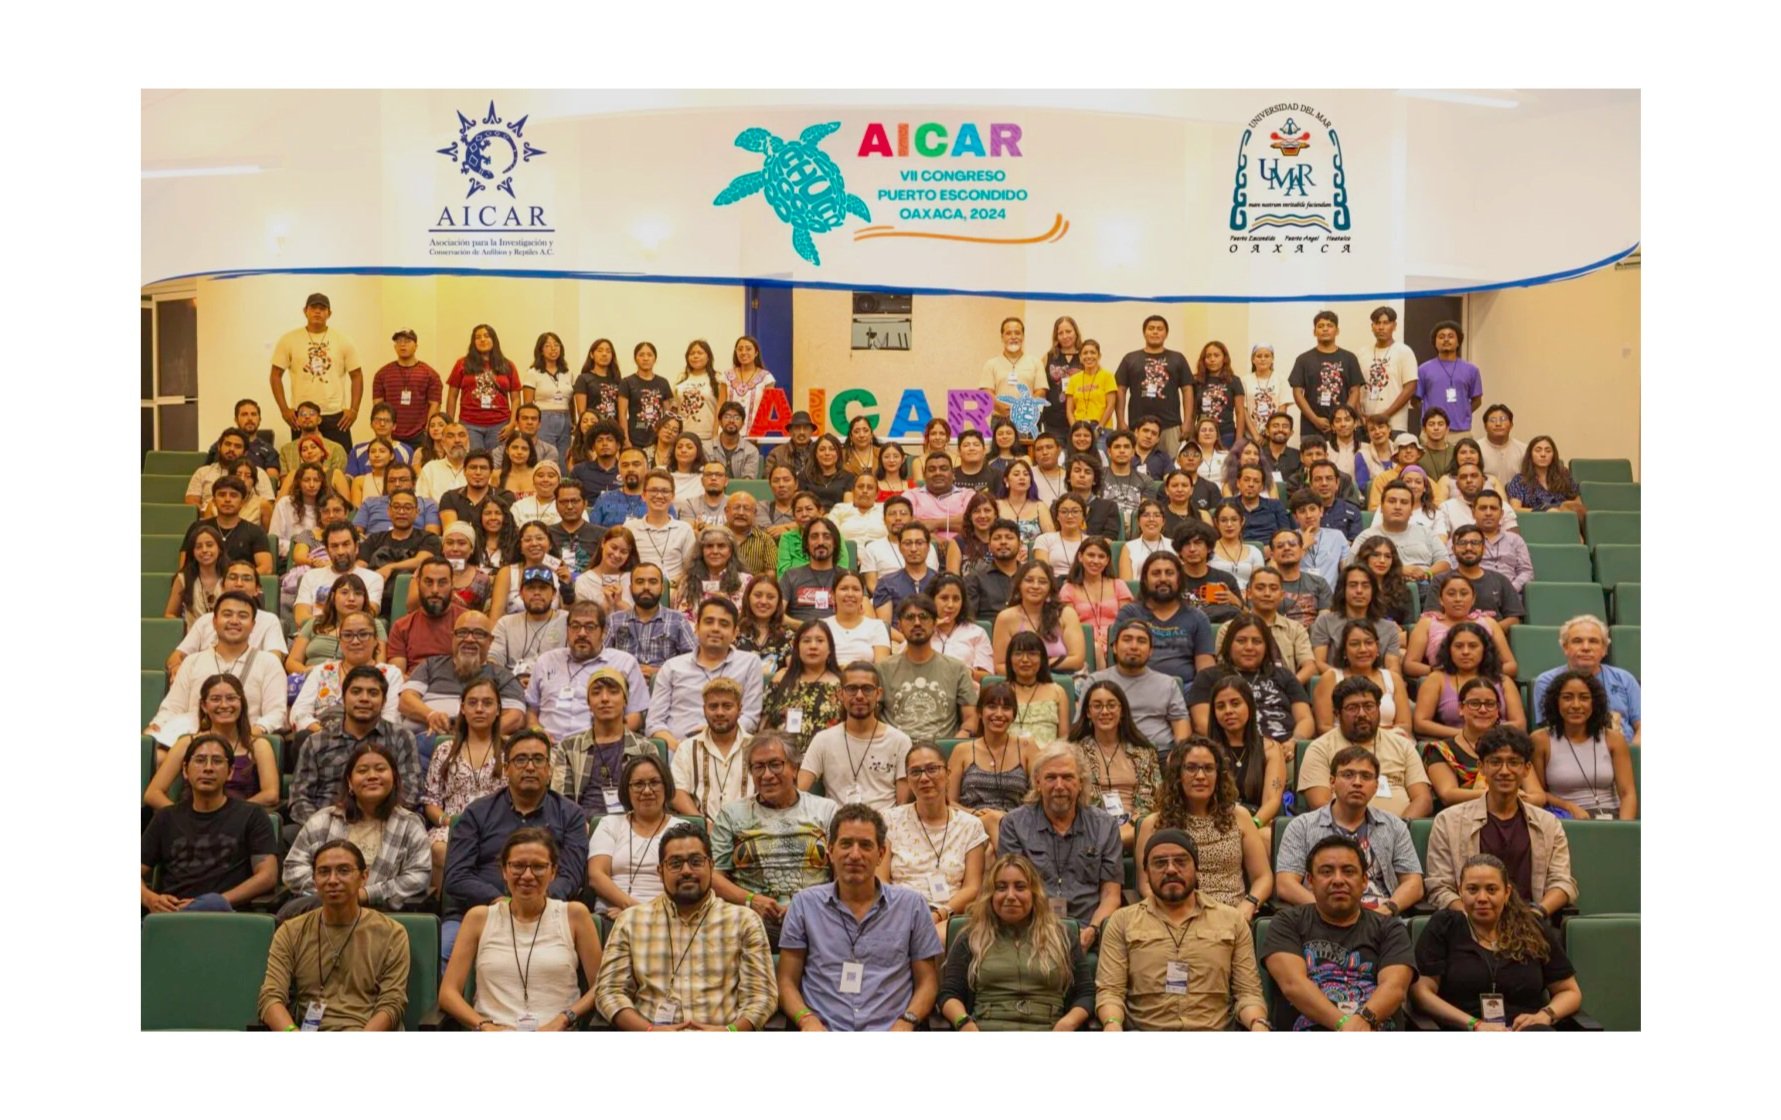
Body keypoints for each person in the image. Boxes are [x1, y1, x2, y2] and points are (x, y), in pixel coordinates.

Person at [775, 803, 944, 1033]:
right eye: (846, 844)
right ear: (830, 851)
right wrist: (806, 1020)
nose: (855, 855)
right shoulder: (804, 904)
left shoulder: (912, 906)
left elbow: (928, 983)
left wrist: (907, 1021)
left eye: (865, 845)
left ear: (881, 854)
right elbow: (786, 982)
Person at [594, 821, 778, 1031]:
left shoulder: (744, 921)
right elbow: (609, 992)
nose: (686, 871)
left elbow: (762, 996)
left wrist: (730, 1032)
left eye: (696, 861)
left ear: (711, 866)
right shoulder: (631, 921)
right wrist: (649, 1031)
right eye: (675, 863)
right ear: (660, 871)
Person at [1096, 828, 1269, 1032]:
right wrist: (1112, 1023)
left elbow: (1247, 993)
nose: (1171, 870)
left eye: (1181, 861)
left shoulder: (1231, 920)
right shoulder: (1122, 921)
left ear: (1196, 869)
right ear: (1146, 873)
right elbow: (1110, 992)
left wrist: (1257, 1023)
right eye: (1160, 863)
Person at [443, 727, 589, 964]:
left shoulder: (571, 815)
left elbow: (571, 876)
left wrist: (534, 904)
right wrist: (500, 902)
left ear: (549, 769)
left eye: (538, 759)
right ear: (506, 768)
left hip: (548, 912)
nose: (530, 767)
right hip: (478, 912)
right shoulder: (477, 813)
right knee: (446, 950)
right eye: (521, 759)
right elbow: (456, 876)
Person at [437, 827, 604, 1031]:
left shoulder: (574, 915)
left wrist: (564, 1018)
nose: (527, 875)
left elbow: (601, 986)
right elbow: (448, 993)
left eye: (538, 867)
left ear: (553, 872)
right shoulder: (479, 918)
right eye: (517, 866)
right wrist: (484, 1025)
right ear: (504, 871)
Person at [1412, 854, 1583, 1031]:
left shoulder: (1532, 927)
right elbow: (1421, 993)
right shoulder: (1444, 926)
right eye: (1472, 889)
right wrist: (1475, 1024)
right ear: (1460, 891)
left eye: (1492, 890)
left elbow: (1569, 991)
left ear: (1507, 892)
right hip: (1465, 1029)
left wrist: (1545, 1015)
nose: (1482, 898)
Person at [1262, 835, 1415, 1031]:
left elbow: (1395, 988)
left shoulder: (1389, 928)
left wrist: (1363, 1020)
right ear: (1311, 881)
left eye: (1348, 871)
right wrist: (1345, 1025)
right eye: (1326, 872)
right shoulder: (1287, 923)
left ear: (1364, 881)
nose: (1338, 880)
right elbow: (1293, 985)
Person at [1425, 725, 1579, 918]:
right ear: (1482, 767)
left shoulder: (1548, 824)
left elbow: (1562, 882)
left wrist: (1536, 913)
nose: (1504, 771)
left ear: (1526, 769)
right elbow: (1439, 886)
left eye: (1514, 762)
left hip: (1531, 921)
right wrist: (1474, 917)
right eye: (1495, 762)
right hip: (1468, 923)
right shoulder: (1449, 821)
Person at [257, 840, 409, 1031]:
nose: (333, 880)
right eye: (323, 872)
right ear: (314, 879)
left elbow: (392, 1003)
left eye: (344, 871)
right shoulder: (290, 932)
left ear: (363, 877)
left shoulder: (391, 933)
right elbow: (271, 997)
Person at [710, 733, 840, 947]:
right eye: (758, 767)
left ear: (795, 768)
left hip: (817, 916)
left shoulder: (825, 810)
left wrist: (809, 905)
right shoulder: (732, 814)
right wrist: (751, 900)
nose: (767, 775)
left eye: (775, 765)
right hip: (752, 920)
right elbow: (715, 877)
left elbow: (841, 873)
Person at [940, 851, 1094, 1032]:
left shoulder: (1062, 936)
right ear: (990, 894)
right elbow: (949, 994)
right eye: (1001, 888)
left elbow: (1085, 993)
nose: (1010, 895)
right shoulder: (971, 937)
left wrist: (1068, 1023)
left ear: (1034, 893)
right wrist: (964, 1023)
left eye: (1020, 887)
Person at [283, 742, 432, 917]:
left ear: (394, 778)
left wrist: (366, 894)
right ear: (350, 782)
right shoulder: (324, 820)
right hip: (323, 909)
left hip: (380, 914)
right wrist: (332, 890)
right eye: (362, 771)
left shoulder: (409, 824)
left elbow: (419, 876)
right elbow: (293, 868)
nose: (372, 776)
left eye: (380, 769)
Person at [998, 743, 1123, 946]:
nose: (1059, 786)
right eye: (1050, 777)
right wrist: (1039, 934)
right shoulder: (1014, 824)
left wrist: (1092, 931)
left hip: (1088, 930)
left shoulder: (1105, 826)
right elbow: (1012, 892)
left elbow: (1111, 894)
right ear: (1038, 782)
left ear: (1081, 782)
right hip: (1031, 931)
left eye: (1067, 777)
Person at [140, 733, 279, 913]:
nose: (208, 768)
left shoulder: (252, 815)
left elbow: (267, 875)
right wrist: (150, 898)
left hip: (226, 915)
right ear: (185, 770)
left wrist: (217, 901)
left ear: (230, 772)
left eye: (217, 761)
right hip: (173, 914)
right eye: (199, 760)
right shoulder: (165, 818)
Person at [881, 743, 988, 936]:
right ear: (908, 779)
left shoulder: (970, 826)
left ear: (948, 774)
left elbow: (972, 887)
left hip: (949, 916)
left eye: (932, 769)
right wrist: (902, 912)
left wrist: (940, 914)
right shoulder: (889, 820)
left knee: (935, 937)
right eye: (915, 772)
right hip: (898, 912)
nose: (924, 778)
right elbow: (880, 879)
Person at [148, 593, 287, 740]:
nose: (234, 621)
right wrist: (155, 727)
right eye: (227, 614)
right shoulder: (192, 662)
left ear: (253, 625)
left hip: (243, 741)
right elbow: (173, 707)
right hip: (192, 741)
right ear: (214, 622)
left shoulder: (268, 663)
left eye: (243, 616)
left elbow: (276, 713)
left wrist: (252, 734)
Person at [419, 678, 508, 893]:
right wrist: (447, 820)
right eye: (473, 702)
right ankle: (449, 907)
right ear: (462, 708)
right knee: (439, 849)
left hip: (498, 826)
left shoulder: (510, 749)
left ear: (498, 710)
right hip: (453, 824)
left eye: (487, 703)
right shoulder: (445, 750)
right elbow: (431, 800)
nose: (479, 709)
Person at [1299, 677, 1433, 819]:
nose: (1362, 714)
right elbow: (1319, 803)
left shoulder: (1402, 745)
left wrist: (1399, 827)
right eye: (1352, 708)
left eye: (1369, 706)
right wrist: (1357, 828)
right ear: (1337, 713)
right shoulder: (1320, 748)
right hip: (1342, 830)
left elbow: (1423, 799)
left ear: (1378, 708)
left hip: (1399, 828)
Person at [644, 597, 765, 746]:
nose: (715, 628)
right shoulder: (672, 667)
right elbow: (654, 723)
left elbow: (750, 718)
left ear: (735, 633)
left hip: (730, 744)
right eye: (709, 622)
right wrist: (681, 749)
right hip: (677, 748)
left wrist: (714, 734)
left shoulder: (750, 663)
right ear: (696, 628)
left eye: (724, 624)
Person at [798, 660, 913, 810]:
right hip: (837, 821)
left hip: (886, 821)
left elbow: (903, 805)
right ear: (840, 694)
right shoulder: (823, 740)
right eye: (852, 689)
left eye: (867, 689)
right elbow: (799, 791)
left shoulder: (900, 741)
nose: (859, 696)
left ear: (878, 694)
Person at [396, 611, 528, 738]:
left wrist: (474, 736)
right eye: (462, 632)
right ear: (453, 637)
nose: (469, 639)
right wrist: (430, 715)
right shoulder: (431, 665)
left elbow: (516, 717)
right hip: (423, 737)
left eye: (478, 634)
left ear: (490, 640)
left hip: (478, 744)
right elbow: (405, 700)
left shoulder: (503, 676)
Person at [1532, 670, 1639, 821]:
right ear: (1556, 702)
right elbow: (1538, 793)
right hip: (1565, 820)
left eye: (1584, 698)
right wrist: (1569, 807)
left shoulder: (1614, 739)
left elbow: (1627, 794)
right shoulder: (1540, 740)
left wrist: (1622, 829)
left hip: (1612, 818)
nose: (1576, 705)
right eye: (1567, 698)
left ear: (1594, 703)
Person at [1071, 680, 1163, 849]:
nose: (1105, 711)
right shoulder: (1074, 752)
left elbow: (1152, 799)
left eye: (1111, 705)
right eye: (1097, 706)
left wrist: (1131, 825)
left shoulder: (1144, 751)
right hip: (1091, 825)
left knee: (1152, 824)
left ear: (1122, 711)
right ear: (1088, 712)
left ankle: (1111, 843)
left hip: (1136, 827)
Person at [1114, 552, 1217, 698]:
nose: (1163, 578)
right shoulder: (1129, 613)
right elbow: (1119, 660)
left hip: (1186, 690)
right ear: (1145, 580)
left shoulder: (1197, 617)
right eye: (1156, 573)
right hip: (1137, 687)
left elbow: (1205, 668)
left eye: (1169, 573)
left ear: (1179, 579)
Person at [267, 292, 363, 446]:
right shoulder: (289, 340)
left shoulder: (343, 340)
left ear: (329, 313)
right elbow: (275, 375)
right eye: (313, 307)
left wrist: (354, 410)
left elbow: (357, 375)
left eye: (322, 308)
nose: (317, 311)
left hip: (335, 415)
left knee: (340, 458)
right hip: (302, 415)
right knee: (304, 459)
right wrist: (284, 410)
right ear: (305, 311)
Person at [880, 595, 980, 741]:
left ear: (934, 624)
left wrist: (959, 739)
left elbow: (971, 719)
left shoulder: (957, 669)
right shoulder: (883, 669)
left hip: (942, 750)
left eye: (924, 617)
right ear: (899, 626)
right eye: (910, 617)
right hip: (896, 749)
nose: (917, 623)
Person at [1532, 615, 1641, 747]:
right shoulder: (1547, 681)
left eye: (1593, 641)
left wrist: (1632, 753)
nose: (1586, 647)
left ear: (1604, 649)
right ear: (1565, 647)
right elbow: (1552, 732)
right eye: (1577, 641)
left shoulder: (1624, 678)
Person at [588, 754, 677, 914]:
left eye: (654, 782)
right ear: (626, 790)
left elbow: (685, 882)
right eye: (638, 784)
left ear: (666, 785)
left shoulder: (681, 829)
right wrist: (630, 908)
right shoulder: (609, 824)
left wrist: (642, 913)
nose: (647, 791)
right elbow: (596, 875)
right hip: (612, 913)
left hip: (667, 915)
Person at [289, 609, 403, 733]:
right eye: (348, 635)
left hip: (372, 739)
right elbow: (298, 712)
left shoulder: (390, 674)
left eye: (363, 634)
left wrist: (354, 737)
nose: (355, 641)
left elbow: (391, 718)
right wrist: (325, 735)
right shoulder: (322, 671)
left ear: (376, 639)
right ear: (340, 641)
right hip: (323, 736)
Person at [1083, 620, 1189, 751]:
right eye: (1127, 640)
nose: (1134, 646)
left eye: (1141, 641)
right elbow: (1082, 725)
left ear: (1150, 651)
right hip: (1109, 754)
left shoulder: (1167, 684)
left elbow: (1181, 725)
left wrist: (1178, 755)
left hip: (1160, 753)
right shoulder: (1095, 681)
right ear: (1114, 647)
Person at [1412, 620, 1527, 739]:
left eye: (1473, 646)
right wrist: (1465, 735)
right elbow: (1420, 723)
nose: (1465, 652)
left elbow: (1519, 724)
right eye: (1458, 646)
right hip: (1455, 742)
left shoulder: (1503, 681)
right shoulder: (1436, 679)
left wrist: (1487, 735)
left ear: (1485, 649)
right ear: (1449, 650)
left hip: (1499, 742)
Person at [672, 674, 764, 822]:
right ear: (704, 709)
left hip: (750, 828)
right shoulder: (687, 748)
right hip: (700, 831)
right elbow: (677, 792)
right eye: (713, 706)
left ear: (740, 709)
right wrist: (703, 825)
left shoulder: (757, 747)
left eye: (727, 706)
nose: (720, 712)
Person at [1404, 573, 1519, 682]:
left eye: (1464, 594)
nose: (1458, 599)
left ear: (1473, 599)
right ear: (1440, 599)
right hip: (1442, 682)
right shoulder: (1427, 623)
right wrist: (1438, 672)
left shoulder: (1489, 623)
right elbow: (1409, 665)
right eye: (1451, 594)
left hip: (1483, 683)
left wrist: (1479, 674)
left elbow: (1511, 666)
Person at [1314, 618, 1412, 736]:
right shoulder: (1330, 678)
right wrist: (1363, 738)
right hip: (1343, 743)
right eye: (1354, 644)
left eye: (1369, 643)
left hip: (1389, 743)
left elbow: (1404, 725)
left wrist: (1377, 737)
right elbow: (1324, 727)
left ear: (1377, 647)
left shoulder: (1393, 678)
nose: (1363, 649)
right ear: (1344, 650)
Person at [1220, 570, 1317, 683]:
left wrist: (1289, 687)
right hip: (1240, 689)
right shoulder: (1228, 628)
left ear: (1282, 595)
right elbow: (1221, 668)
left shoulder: (1295, 629)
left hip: (1284, 689)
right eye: (1260, 588)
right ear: (1249, 593)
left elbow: (1309, 667)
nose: (1267, 593)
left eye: (1273, 588)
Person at [991, 560, 1086, 675]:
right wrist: (1030, 675)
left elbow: (1077, 660)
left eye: (1042, 582)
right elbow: (1000, 666)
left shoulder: (1066, 614)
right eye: (1029, 580)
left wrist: (1037, 665)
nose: (1035, 586)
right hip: (1020, 680)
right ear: (1019, 584)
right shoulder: (1005, 618)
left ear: (1050, 588)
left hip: (1062, 679)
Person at [1115, 315, 1193, 455]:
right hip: (1138, 426)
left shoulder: (1177, 358)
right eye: (1151, 328)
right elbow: (1120, 389)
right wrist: (1120, 420)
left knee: (1171, 463)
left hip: (1170, 425)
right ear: (1144, 332)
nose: (1155, 332)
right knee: (1137, 463)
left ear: (1166, 334)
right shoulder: (1130, 359)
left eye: (1159, 329)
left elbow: (1187, 389)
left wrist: (1187, 422)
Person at [1350, 482, 1453, 587]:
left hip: (1425, 587)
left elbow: (1445, 563)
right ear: (1381, 508)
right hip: (1382, 589)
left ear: (1411, 510)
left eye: (1404, 502)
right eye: (1392, 501)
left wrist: (1426, 574)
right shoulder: (1366, 536)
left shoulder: (1426, 533)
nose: (1397, 507)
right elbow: (1351, 568)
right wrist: (1398, 571)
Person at [1310, 564, 1406, 675]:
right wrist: (1346, 679)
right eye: (1353, 585)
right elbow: (1319, 663)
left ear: (1373, 591)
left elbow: (1393, 669)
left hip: (1378, 684)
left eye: (1365, 586)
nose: (1359, 591)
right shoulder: (1325, 622)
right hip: (1337, 683)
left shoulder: (1389, 628)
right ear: (1343, 590)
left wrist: (1373, 681)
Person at [606, 563, 695, 679]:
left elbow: (692, 660)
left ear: (662, 589)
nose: (646, 587)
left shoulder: (678, 620)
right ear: (630, 588)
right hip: (624, 684)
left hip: (666, 684)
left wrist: (659, 672)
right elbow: (603, 659)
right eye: (640, 582)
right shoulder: (614, 620)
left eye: (653, 582)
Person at [1287, 309, 1364, 442]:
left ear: (1337, 331)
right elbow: (1297, 392)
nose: (1325, 329)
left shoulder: (1349, 358)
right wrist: (1314, 419)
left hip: (1342, 427)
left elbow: (1355, 390)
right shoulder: (1303, 359)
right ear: (1314, 331)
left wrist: (1343, 419)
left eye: (1330, 325)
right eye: (1320, 326)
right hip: (1311, 427)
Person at [293, 522, 386, 627]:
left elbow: (368, 615)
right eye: (334, 546)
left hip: (353, 634)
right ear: (327, 550)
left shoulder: (373, 578)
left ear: (356, 547)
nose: (340, 551)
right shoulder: (310, 576)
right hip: (315, 634)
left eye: (346, 544)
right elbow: (301, 618)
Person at [445, 324, 521, 451]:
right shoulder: (462, 364)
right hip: (469, 424)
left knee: (497, 460)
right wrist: (450, 424)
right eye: (478, 337)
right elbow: (452, 396)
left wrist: (513, 423)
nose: (482, 340)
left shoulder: (507, 365)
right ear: (473, 342)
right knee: (474, 460)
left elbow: (516, 398)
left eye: (486, 336)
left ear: (494, 339)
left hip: (500, 425)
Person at [180, 476, 275, 576]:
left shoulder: (255, 531)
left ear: (242, 502)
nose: (227, 499)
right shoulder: (197, 528)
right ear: (214, 501)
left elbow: (266, 568)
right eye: (222, 495)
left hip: (240, 584)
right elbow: (185, 567)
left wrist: (234, 579)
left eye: (233, 495)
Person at [384, 558, 465, 673]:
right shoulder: (401, 627)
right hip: (413, 682)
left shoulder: (467, 623)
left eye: (442, 583)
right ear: (418, 583)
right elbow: (397, 675)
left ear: (452, 584)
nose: (435, 590)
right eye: (428, 582)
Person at [370, 327, 441, 450]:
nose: (402, 345)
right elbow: (378, 406)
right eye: (399, 341)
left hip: (420, 435)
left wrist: (427, 430)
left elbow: (435, 404)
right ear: (395, 347)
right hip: (390, 435)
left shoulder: (430, 374)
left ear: (416, 346)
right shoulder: (382, 374)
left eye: (407, 341)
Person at [489, 568, 567, 680]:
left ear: (554, 594)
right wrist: (511, 682)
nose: (537, 593)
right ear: (521, 594)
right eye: (530, 588)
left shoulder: (567, 621)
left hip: (555, 682)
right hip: (513, 683)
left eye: (543, 588)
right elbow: (493, 659)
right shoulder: (505, 623)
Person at [1449, 522, 1525, 626]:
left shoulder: (1500, 580)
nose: (1469, 548)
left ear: (1483, 549)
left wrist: (1488, 631)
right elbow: (1433, 617)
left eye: (1475, 543)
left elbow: (1514, 619)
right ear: (1453, 549)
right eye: (1462, 543)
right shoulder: (1441, 580)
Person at [1416, 319, 1484, 435]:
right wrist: (1428, 414)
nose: (1446, 340)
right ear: (1435, 342)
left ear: (1458, 342)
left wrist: (1463, 412)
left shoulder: (1472, 370)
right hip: (1431, 432)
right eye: (1441, 337)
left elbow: (1477, 400)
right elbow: (1415, 400)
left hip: (1461, 431)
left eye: (1451, 336)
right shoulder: (1423, 369)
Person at [1175, 519, 1243, 623]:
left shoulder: (1226, 579)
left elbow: (1246, 617)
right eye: (1186, 544)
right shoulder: (1171, 580)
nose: (1192, 549)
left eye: (1198, 543)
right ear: (1179, 550)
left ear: (1209, 548)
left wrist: (1236, 602)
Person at [780, 518, 845, 622]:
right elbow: (777, 614)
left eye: (827, 537)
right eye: (814, 537)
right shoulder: (790, 576)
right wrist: (804, 627)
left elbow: (866, 614)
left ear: (835, 543)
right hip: (799, 631)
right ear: (806, 544)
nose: (820, 542)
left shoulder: (847, 577)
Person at [1507, 434, 1587, 519]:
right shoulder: (1519, 480)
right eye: (1538, 450)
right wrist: (1543, 511)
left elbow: (1578, 506)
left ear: (1553, 455)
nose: (1543, 454)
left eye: (1548, 451)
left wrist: (1562, 510)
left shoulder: (1564, 476)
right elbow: (1515, 509)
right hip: (1535, 521)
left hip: (1564, 521)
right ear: (1530, 455)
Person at [871, 523, 940, 622]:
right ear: (899, 547)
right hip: (897, 632)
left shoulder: (941, 582)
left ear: (928, 546)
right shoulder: (886, 583)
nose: (913, 549)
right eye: (908, 543)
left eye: (919, 543)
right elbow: (885, 626)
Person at [930, 573, 993, 679]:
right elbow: (903, 664)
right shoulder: (921, 630)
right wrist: (928, 629)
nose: (950, 605)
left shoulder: (977, 633)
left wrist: (968, 672)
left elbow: (988, 677)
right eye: (944, 598)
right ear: (932, 600)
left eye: (956, 599)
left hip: (965, 687)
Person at [675, 525, 747, 616]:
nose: (715, 551)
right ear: (701, 551)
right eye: (709, 546)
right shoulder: (687, 581)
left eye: (721, 546)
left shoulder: (745, 581)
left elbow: (747, 618)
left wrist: (727, 603)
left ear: (731, 551)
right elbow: (679, 616)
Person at [963, 517, 1023, 626]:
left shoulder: (1029, 576)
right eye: (997, 538)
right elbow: (969, 619)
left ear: (1020, 544)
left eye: (1009, 537)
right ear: (989, 546)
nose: (1003, 542)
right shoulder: (975, 578)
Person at [572, 524, 639, 617]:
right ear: (603, 543)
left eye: (624, 552)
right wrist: (606, 605)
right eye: (614, 548)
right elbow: (583, 619)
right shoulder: (584, 581)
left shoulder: (633, 579)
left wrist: (619, 603)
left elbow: (643, 618)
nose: (617, 555)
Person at [735, 575, 795, 675]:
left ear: (778, 601)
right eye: (758, 595)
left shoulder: (787, 636)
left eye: (770, 597)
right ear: (748, 598)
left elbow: (794, 673)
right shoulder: (735, 631)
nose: (763, 601)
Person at [1207, 501, 1265, 590]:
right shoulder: (1208, 550)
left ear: (1242, 521)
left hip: (1247, 596)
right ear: (1216, 522)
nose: (1229, 525)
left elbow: (1259, 584)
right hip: (1216, 595)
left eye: (1234, 519)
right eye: (1223, 520)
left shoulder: (1254, 551)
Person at [589, 447, 650, 528]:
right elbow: (593, 532)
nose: (630, 469)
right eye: (625, 465)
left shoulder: (656, 499)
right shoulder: (605, 499)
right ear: (619, 470)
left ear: (647, 468)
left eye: (636, 464)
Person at [1477, 403, 1527, 486]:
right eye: (1492, 420)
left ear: (1511, 425)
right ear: (1485, 426)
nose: (1498, 424)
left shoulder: (1523, 450)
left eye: (1503, 419)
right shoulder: (1476, 449)